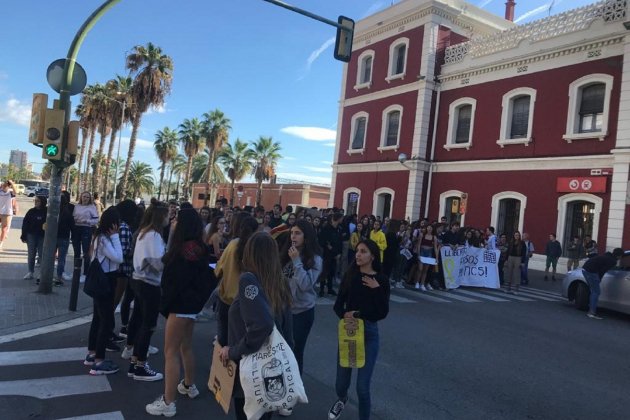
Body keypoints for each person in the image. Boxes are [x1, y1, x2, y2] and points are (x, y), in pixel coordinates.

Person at [145, 208, 218, 416]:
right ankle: (189, 384)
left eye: (176, 219)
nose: (173, 221)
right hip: (193, 307)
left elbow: (172, 283)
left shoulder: (180, 251)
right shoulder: (201, 249)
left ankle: (168, 402)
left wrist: (166, 305)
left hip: (179, 306)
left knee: (170, 353)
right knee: (186, 346)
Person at [219, 232, 294, 420]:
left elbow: (262, 325)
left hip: (249, 365)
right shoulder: (279, 281)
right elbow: (287, 329)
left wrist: (234, 351)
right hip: (271, 366)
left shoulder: (248, 280)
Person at [329, 239, 390, 420]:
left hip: (369, 333)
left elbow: (382, 312)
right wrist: (345, 316)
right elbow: (338, 305)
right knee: (341, 384)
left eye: (363, 251)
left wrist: (377, 289)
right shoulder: (350, 276)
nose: (358, 254)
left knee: (362, 388)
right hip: (349, 332)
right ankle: (342, 398)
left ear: (372, 256)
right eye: (357, 251)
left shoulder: (381, 280)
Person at [124, 201, 169, 381]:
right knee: (148, 325)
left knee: (140, 320)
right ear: (160, 216)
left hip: (139, 280)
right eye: (167, 215)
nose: (169, 218)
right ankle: (140, 365)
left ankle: (135, 362)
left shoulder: (144, 233)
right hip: (149, 284)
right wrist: (171, 256)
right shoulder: (154, 236)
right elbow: (158, 264)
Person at [84, 207, 123, 375]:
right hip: (106, 281)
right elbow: (118, 258)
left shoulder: (97, 237)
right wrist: (115, 236)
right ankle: (99, 361)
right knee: (106, 321)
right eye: (118, 223)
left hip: (100, 281)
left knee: (98, 319)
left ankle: (92, 353)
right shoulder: (104, 239)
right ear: (113, 224)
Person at [280, 220, 322, 376]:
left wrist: (297, 261)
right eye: (292, 233)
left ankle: (295, 384)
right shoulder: (287, 253)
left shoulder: (315, 259)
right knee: (282, 348)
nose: (293, 236)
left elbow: (305, 285)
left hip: (302, 312)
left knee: (296, 349)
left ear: (307, 236)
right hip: (284, 309)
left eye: (297, 233)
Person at [582, 248, 623, 319]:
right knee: (596, 292)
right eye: (621, 256)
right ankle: (591, 312)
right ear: (618, 256)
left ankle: (590, 308)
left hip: (586, 268)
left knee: (593, 291)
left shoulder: (608, 255)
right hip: (592, 271)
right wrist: (599, 279)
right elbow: (602, 271)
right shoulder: (612, 261)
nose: (621, 258)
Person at [21, 196, 47, 283]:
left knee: (41, 255)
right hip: (31, 235)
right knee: (31, 254)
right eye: (35, 201)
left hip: (42, 236)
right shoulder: (31, 211)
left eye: (38, 201)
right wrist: (23, 235)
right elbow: (25, 223)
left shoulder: (47, 211)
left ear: (43, 202)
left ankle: (41, 274)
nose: (36, 202)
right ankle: (30, 272)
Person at [73, 191, 100, 275]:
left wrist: (87, 221)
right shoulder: (77, 206)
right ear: (81, 197)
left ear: (90, 199)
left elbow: (96, 220)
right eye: (84, 196)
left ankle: (85, 273)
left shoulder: (92, 207)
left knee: (86, 252)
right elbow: (73, 216)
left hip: (86, 229)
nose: (85, 198)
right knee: (76, 251)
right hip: (76, 228)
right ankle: (76, 272)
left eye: (87, 197)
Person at [319, 213, 343, 296]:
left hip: (335, 255)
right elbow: (322, 240)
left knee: (332, 272)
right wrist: (327, 245)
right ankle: (321, 290)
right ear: (338, 218)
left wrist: (339, 253)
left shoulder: (339, 229)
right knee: (324, 272)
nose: (342, 220)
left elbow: (340, 242)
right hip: (327, 254)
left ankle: (330, 288)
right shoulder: (326, 228)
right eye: (341, 218)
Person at [54, 192, 75, 286]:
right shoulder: (68, 212)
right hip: (64, 237)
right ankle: (59, 276)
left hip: (52, 237)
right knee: (61, 259)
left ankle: (47, 275)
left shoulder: (52, 211)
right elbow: (72, 226)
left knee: (50, 257)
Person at [0, 180, 19, 250]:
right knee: (4, 230)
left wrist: (12, 183)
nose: (4, 186)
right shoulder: (0, 191)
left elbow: (16, 192)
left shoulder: (10, 193)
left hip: (7, 213)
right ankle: (3, 236)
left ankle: (1, 243)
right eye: (3, 185)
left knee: (4, 229)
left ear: (9, 186)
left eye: (5, 185)